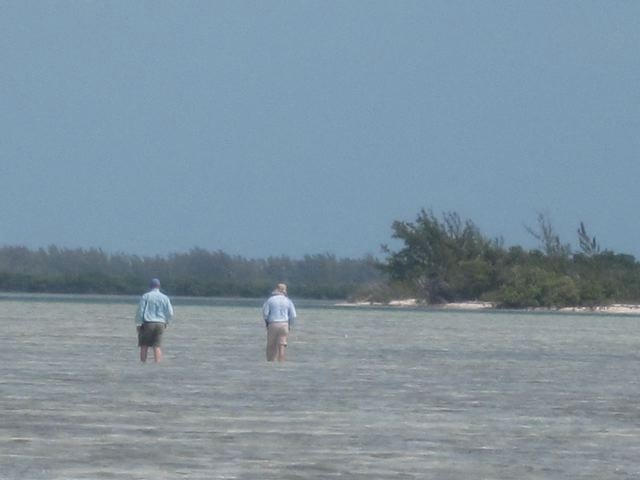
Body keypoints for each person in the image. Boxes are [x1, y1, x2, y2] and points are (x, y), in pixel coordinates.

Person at [135, 278, 174, 363]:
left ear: (150, 286)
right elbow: (170, 313)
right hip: (160, 323)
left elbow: (140, 311)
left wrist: (138, 323)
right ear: (159, 286)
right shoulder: (165, 297)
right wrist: (166, 322)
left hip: (148, 323)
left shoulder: (146, 296)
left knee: (144, 345)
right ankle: (157, 366)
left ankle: (143, 365)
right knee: (157, 346)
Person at [262, 283, 297, 362]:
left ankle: (270, 364)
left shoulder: (270, 300)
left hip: (273, 324)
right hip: (284, 324)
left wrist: (267, 323)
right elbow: (293, 315)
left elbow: (265, 313)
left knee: (271, 346)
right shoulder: (288, 301)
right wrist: (289, 324)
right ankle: (281, 363)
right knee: (282, 346)